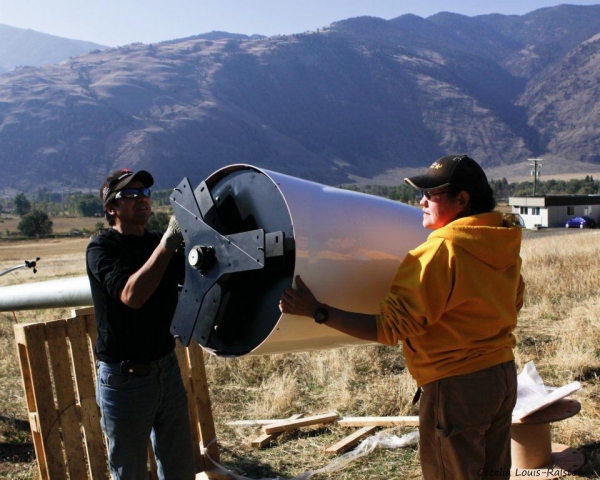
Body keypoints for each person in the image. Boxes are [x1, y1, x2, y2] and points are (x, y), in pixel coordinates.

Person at [280, 154, 525, 480]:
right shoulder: (500, 242)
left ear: (462, 199)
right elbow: (514, 302)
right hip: (501, 377)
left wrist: (317, 311)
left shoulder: (439, 253)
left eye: (431, 194)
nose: (421, 201)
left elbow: (388, 328)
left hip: (457, 387)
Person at [86, 168, 196, 480]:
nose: (141, 199)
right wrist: (168, 244)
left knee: (179, 467)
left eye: (144, 193)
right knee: (130, 471)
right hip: (125, 380)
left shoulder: (155, 242)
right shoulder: (102, 248)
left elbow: (194, 277)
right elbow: (132, 295)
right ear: (111, 208)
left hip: (166, 368)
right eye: (129, 195)